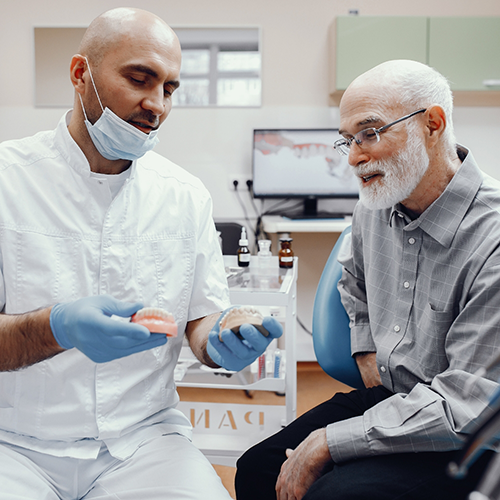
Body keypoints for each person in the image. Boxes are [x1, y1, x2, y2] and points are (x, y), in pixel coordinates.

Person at [0, 7, 282, 500]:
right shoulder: (7, 181)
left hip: (144, 443)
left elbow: (201, 318)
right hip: (14, 443)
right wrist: (55, 327)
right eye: (139, 78)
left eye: (170, 88)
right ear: (79, 74)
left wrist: (220, 337)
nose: (157, 104)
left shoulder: (184, 195)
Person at [235, 59, 500, 500]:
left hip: (466, 431)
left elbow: (464, 405)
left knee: (332, 494)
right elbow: (352, 278)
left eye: (370, 133)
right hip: (393, 398)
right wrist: (365, 346)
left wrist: (329, 442)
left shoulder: (492, 237)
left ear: (433, 124)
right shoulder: (375, 204)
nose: (355, 157)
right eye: (347, 141)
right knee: (257, 470)